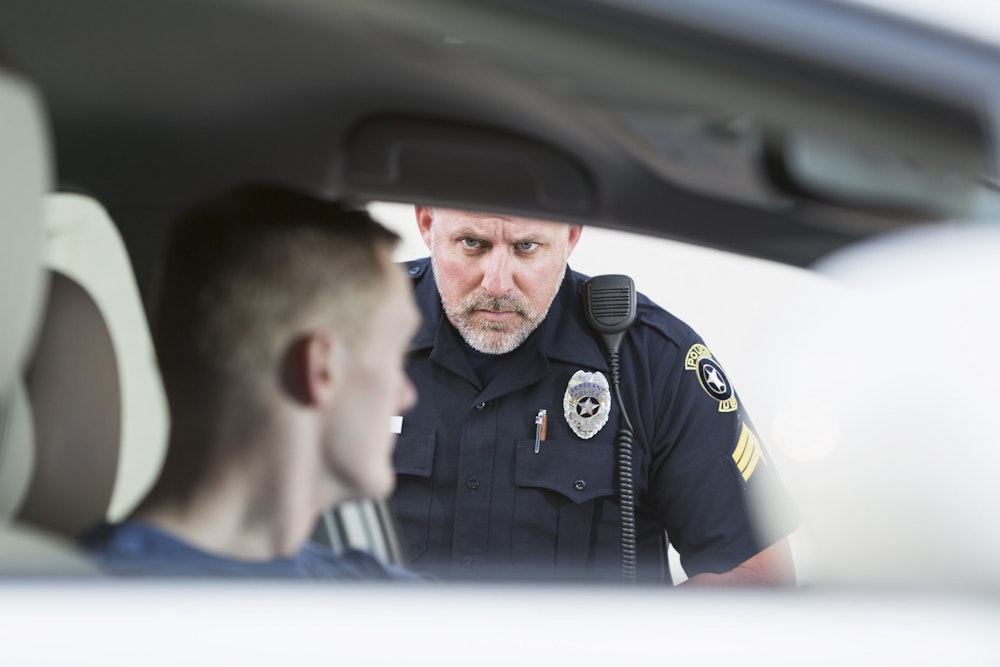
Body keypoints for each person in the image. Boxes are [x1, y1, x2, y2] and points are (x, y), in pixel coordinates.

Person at [390, 207, 799, 584]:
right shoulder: (346, 331)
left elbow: (759, 576)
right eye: (472, 244)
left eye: (526, 247)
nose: (497, 282)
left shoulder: (652, 359)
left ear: (571, 233)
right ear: (427, 223)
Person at [82, 184, 422, 579]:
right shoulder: (381, 605)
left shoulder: (73, 600)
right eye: (397, 355)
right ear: (323, 368)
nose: (407, 395)